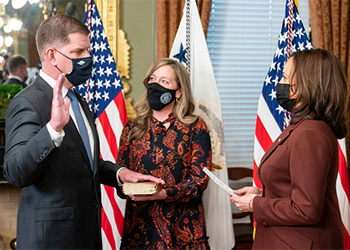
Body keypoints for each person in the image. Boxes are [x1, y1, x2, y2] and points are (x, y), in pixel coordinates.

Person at [3, 15, 164, 250]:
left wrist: (120, 173)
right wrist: (52, 129)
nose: (87, 59)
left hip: (88, 235)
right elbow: (16, 173)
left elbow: (84, 163)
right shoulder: (27, 102)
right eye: (79, 52)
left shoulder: (78, 100)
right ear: (52, 55)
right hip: (52, 241)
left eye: (88, 51)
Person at [230, 49, 346, 249]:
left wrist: (254, 204)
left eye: (285, 77)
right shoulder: (301, 126)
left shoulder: (311, 133)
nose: (280, 83)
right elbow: (295, 187)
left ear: (305, 84)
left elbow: (306, 209)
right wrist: (262, 194)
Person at [118, 58, 211, 249]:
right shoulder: (132, 128)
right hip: (139, 231)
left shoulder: (195, 127)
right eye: (152, 79)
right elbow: (121, 179)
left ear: (178, 92)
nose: (155, 85)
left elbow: (199, 181)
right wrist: (131, 189)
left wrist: (164, 193)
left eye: (164, 81)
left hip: (183, 231)